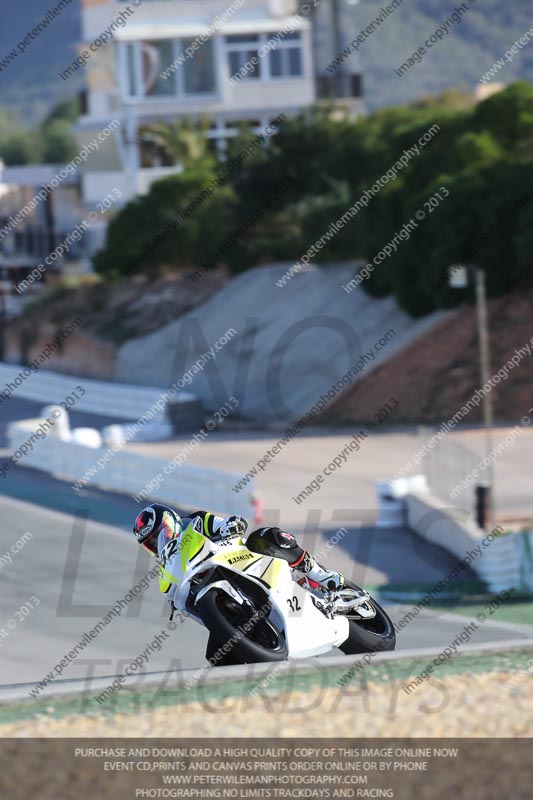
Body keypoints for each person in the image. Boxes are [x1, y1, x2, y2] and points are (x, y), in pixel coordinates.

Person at [132, 503, 344, 593]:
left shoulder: (197, 521)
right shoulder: (168, 567)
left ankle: (319, 573)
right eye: (152, 543)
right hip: (214, 581)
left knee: (263, 537)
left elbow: (223, 524)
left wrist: (230, 526)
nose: (160, 543)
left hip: (241, 558)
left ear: (173, 520)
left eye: (162, 533)